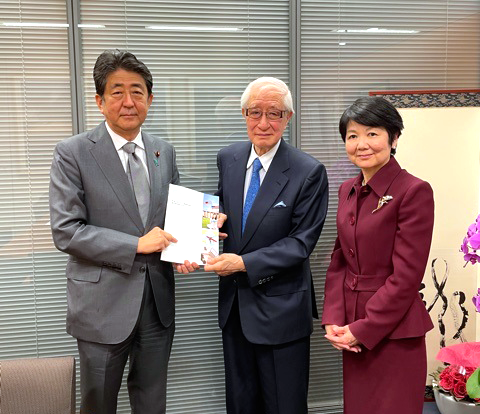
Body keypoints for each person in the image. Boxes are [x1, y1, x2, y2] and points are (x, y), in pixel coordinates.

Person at [49, 50, 197, 414]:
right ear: (100, 101)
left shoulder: (165, 151)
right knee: (99, 404)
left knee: (152, 402)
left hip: (157, 303)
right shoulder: (73, 152)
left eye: (137, 91)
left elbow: (173, 216)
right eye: (117, 92)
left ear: (150, 99)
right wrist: (136, 244)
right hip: (102, 308)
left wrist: (197, 235)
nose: (128, 101)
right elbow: (66, 230)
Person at [204, 77, 329, 414]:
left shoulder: (308, 172)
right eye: (254, 112)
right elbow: (223, 213)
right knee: (240, 405)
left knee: (283, 405)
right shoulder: (228, 158)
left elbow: (300, 244)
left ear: (287, 118)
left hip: (282, 310)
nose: (263, 123)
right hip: (234, 310)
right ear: (244, 114)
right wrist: (207, 229)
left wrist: (242, 264)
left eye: (273, 113)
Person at [321, 96, 435, 414]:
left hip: (394, 332)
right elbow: (339, 259)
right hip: (353, 330)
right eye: (353, 135)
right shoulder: (347, 189)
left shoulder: (414, 190)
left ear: (394, 138)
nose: (362, 144)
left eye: (373, 133)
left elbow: (406, 277)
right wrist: (333, 317)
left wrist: (364, 328)